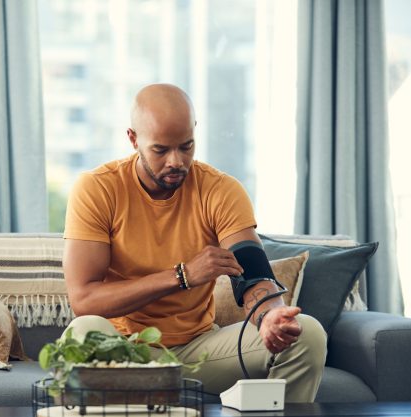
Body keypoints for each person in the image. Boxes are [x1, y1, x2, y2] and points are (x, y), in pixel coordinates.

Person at [62, 83, 327, 402]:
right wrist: (182, 275)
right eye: (160, 150)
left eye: (186, 146)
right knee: (83, 331)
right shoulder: (98, 189)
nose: (176, 161)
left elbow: (254, 275)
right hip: (122, 350)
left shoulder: (220, 190)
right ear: (134, 139)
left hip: (198, 352)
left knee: (307, 333)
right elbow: (84, 299)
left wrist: (270, 314)